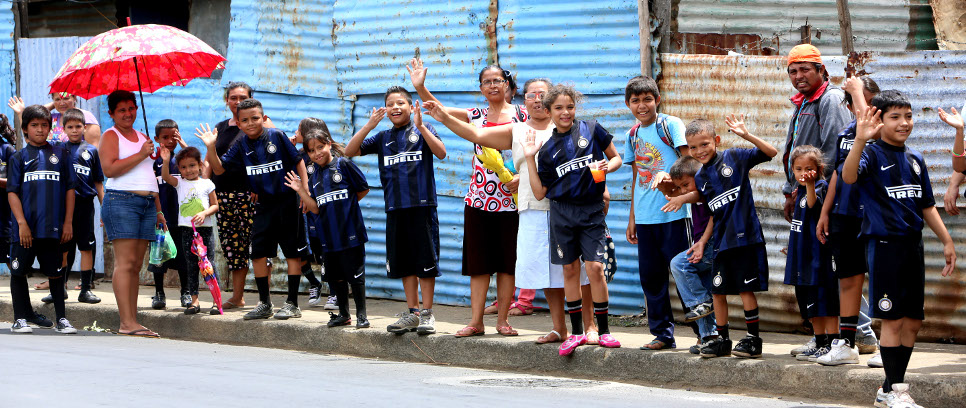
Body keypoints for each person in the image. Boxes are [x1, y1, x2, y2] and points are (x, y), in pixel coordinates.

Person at [422, 78, 597, 342]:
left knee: (580, 270)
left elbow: (592, 164)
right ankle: (560, 328)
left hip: (571, 208)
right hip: (533, 208)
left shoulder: (568, 127)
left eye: (543, 94)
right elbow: (477, 135)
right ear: (522, 99)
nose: (537, 99)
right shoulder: (516, 130)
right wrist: (442, 117)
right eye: (531, 95)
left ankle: (590, 326)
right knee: (547, 272)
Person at [843, 93, 956, 407]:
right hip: (884, 248)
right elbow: (848, 176)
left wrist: (947, 241)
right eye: (895, 117)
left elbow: (927, 206)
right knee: (892, 321)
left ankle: (888, 388)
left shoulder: (915, 159)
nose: (904, 122)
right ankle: (896, 392)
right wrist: (860, 141)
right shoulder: (870, 154)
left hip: (913, 248)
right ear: (879, 121)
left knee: (913, 321)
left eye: (908, 115)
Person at [409, 60, 527, 323]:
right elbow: (438, 110)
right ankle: (475, 322)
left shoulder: (523, 115)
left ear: (506, 85)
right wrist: (420, 87)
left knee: (508, 265)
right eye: (487, 82)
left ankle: (503, 321)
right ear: (481, 89)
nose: (493, 85)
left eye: (497, 80)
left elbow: (538, 150)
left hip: (515, 202)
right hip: (479, 200)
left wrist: (523, 176)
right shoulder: (475, 115)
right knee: (479, 265)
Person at [523, 84, 623, 356]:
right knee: (569, 271)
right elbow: (540, 192)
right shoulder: (546, 151)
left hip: (591, 210)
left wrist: (607, 167)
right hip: (561, 213)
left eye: (570, 107)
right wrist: (530, 159)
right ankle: (576, 332)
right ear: (548, 111)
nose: (565, 113)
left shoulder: (591, 129)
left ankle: (604, 331)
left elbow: (616, 159)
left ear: (575, 108)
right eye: (558, 108)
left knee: (594, 269)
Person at [345, 86, 446, 335]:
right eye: (390, 104)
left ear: (412, 107)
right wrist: (368, 126)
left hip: (422, 208)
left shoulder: (423, 130)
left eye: (401, 103)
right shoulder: (382, 138)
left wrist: (422, 127)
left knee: (425, 262)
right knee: (404, 264)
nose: (395, 108)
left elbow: (442, 153)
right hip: (395, 209)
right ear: (385, 110)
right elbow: (349, 152)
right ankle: (412, 313)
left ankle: (428, 314)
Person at [677, 115, 778, 359]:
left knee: (745, 291)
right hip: (722, 243)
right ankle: (722, 340)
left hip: (746, 240)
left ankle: (753, 340)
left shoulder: (735, 157)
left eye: (704, 144)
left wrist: (746, 134)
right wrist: (702, 241)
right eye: (693, 147)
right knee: (718, 292)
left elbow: (771, 151)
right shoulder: (700, 178)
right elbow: (713, 211)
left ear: (716, 140)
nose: (699, 151)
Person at [200, 98, 310, 321]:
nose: (251, 123)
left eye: (255, 118)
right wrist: (211, 147)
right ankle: (265, 303)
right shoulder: (240, 145)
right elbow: (219, 170)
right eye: (245, 120)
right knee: (258, 253)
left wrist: (305, 192)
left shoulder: (276, 136)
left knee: (291, 253)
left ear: (263, 118)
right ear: (238, 124)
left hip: (288, 202)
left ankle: (292, 304)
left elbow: (298, 161)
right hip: (262, 205)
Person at [814, 76, 883, 367]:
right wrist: (825, 211)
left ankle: (889, 346)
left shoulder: (880, 130)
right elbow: (837, 175)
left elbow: (866, 124)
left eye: (863, 100)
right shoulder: (847, 132)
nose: (856, 105)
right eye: (853, 99)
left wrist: (856, 90)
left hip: (871, 216)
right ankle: (847, 344)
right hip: (844, 215)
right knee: (848, 280)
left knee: (883, 280)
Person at [622, 75, 690, 351]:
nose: (642, 105)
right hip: (646, 218)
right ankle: (663, 334)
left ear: (657, 100)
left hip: (675, 213)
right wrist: (632, 218)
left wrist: (672, 181)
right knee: (651, 277)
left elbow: (689, 161)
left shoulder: (670, 125)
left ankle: (705, 331)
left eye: (647, 99)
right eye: (636, 101)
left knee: (686, 274)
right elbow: (638, 175)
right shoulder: (632, 134)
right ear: (628, 104)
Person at [286, 129, 370, 328]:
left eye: (320, 147)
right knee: (336, 277)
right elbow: (314, 207)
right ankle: (344, 314)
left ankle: (362, 316)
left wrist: (345, 206)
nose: (317, 153)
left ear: (329, 145)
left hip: (351, 233)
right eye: (312, 150)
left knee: (356, 276)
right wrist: (300, 190)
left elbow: (363, 189)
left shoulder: (344, 164)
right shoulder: (313, 174)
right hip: (328, 236)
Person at [99, 90, 165, 338]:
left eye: (131, 108)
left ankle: (133, 320)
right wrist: (140, 154)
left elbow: (150, 176)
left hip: (147, 203)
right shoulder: (110, 135)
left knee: (136, 265)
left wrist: (159, 210)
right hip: (121, 201)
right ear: (112, 114)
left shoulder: (143, 137)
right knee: (125, 263)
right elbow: (109, 169)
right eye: (122, 110)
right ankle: (126, 323)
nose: (128, 113)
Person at [8, 105, 77, 334]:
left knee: (56, 273)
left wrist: (67, 222)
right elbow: (12, 193)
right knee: (18, 272)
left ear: (50, 127)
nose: (40, 129)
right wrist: (21, 224)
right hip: (26, 231)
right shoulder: (18, 157)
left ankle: (62, 319)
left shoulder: (62, 155)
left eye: (44, 125)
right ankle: (19, 319)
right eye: (34, 125)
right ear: (25, 129)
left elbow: (69, 190)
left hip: (53, 229)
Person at [207, 82, 274, 311]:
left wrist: (261, 184)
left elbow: (271, 157)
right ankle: (237, 297)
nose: (237, 102)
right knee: (235, 248)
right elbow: (212, 161)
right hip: (225, 195)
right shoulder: (220, 128)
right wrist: (206, 191)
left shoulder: (262, 123)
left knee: (259, 245)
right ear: (227, 101)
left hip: (252, 195)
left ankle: (265, 300)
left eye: (242, 97)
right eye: (233, 98)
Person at [781, 44, 851, 222]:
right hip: (806, 193)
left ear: (822, 70)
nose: (798, 76)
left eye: (805, 69)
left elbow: (835, 153)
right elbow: (795, 150)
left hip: (822, 197)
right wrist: (790, 191)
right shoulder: (804, 101)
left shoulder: (830, 99)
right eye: (793, 71)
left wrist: (818, 194)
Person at [783, 146, 839, 363]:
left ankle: (832, 342)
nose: (803, 172)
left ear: (819, 169)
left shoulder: (820, 187)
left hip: (818, 257)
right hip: (802, 256)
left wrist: (809, 185)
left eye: (809, 168)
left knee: (826, 302)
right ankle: (819, 340)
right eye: (798, 169)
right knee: (809, 303)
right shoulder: (798, 191)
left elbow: (814, 202)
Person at [46, 108, 104, 305]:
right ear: (64, 128)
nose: (74, 130)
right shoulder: (58, 150)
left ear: (84, 127)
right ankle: (59, 288)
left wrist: (105, 208)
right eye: (70, 127)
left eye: (78, 126)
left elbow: (98, 182)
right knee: (62, 248)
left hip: (85, 206)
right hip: (63, 207)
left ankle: (85, 290)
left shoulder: (92, 151)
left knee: (86, 247)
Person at [666, 154, 719, 354]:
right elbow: (684, 194)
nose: (683, 190)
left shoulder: (708, 190)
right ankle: (709, 337)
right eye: (680, 187)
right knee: (703, 287)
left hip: (712, 244)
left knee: (680, 264)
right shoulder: (690, 193)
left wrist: (702, 242)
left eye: (686, 184)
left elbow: (710, 211)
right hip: (701, 244)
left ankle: (701, 303)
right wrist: (671, 191)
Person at [159, 146, 219, 315]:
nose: (189, 170)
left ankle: (216, 301)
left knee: (209, 265)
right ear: (179, 169)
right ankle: (194, 301)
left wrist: (204, 213)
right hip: (186, 230)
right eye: (184, 167)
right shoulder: (179, 183)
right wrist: (165, 161)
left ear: (200, 165)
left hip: (205, 230)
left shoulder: (207, 183)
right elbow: (165, 176)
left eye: (192, 165)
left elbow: (215, 205)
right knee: (191, 266)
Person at [149, 119, 190, 310]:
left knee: (184, 258)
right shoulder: (151, 160)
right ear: (157, 139)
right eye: (165, 137)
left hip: (182, 218)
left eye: (174, 136)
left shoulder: (183, 160)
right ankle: (159, 293)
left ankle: (186, 292)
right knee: (158, 257)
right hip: (160, 218)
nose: (170, 141)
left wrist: (184, 145)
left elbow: (199, 168)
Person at [292, 117, 330, 309]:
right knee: (302, 251)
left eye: (298, 130)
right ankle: (314, 283)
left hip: (323, 210)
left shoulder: (329, 155)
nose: (295, 133)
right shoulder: (298, 155)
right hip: (303, 211)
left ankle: (333, 290)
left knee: (326, 251)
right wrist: (287, 150)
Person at [7, 93, 101, 145]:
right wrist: (20, 113)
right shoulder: (52, 118)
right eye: (57, 99)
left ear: (74, 98)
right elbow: (30, 140)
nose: (62, 103)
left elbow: (94, 150)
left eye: (66, 98)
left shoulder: (86, 117)